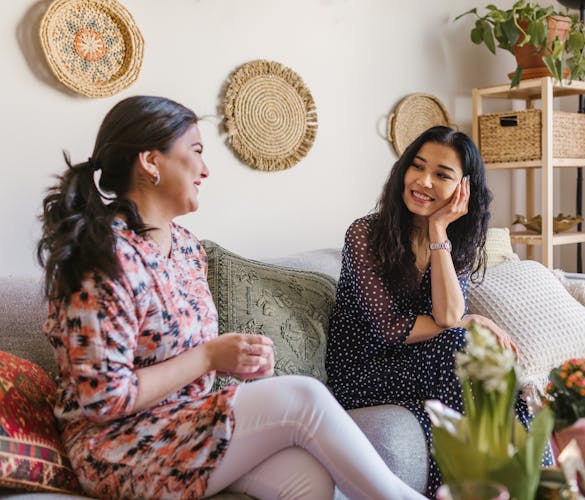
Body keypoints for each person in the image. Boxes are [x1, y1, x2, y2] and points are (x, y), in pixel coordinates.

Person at [37, 95, 425, 500]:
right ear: (151, 162)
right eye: (197, 151)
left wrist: (240, 363)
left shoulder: (187, 248)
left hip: (185, 426)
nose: (205, 169)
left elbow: (186, 361)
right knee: (304, 395)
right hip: (118, 448)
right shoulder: (102, 256)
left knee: (307, 476)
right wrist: (208, 357)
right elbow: (103, 399)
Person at [325, 126, 552, 497]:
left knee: (488, 363)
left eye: (442, 175)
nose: (424, 181)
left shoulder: (452, 242)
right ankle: (522, 484)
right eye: (417, 167)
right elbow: (393, 328)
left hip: (424, 364)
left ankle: (530, 483)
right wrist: (466, 320)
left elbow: (446, 315)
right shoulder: (364, 234)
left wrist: (438, 229)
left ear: (463, 189)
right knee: (463, 345)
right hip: (363, 371)